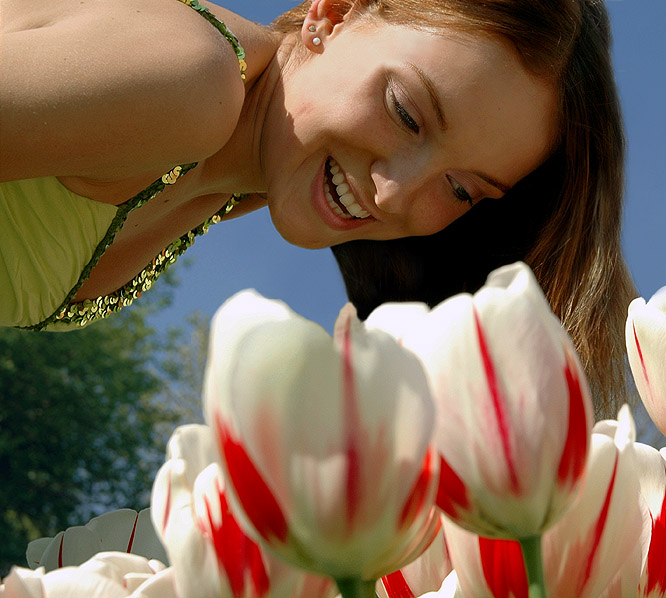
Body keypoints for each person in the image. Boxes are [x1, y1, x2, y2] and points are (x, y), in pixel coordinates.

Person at [0, 0, 634, 415]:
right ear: (333, 14)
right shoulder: (192, 82)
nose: (395, 192)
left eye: (462, 189)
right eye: (405, 113)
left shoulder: (217, 191)